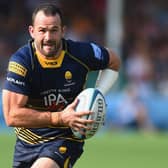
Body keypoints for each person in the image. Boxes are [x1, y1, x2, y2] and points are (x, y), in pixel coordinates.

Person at [2, 3, 120, 168]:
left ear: (63, 31)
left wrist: (97, 97)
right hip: (27, 143)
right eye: (42, 30)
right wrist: (59, 117)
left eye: (54, 30)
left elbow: (114, 61)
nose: (48, 37)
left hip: (65, 139)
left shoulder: (82, 53)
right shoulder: (22, 62)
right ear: (32, 31)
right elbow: (11, 115)